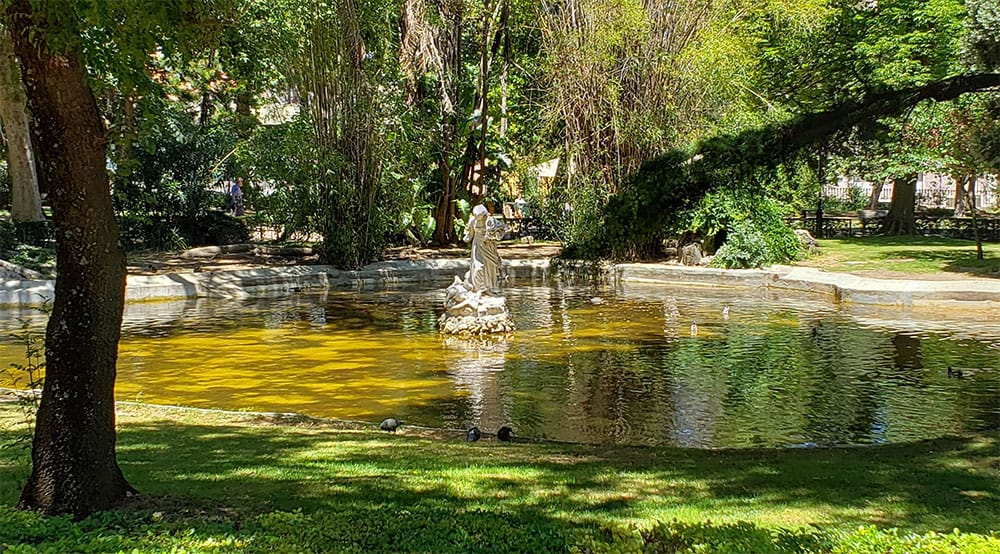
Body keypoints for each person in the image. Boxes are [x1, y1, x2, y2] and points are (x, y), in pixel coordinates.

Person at [463, 204, 506, 294]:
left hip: (488, 246)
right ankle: (478, 289)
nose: (478, 219)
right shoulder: (473, 221)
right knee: (478, 267)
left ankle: (489, 288)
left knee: (490, 267)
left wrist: (493, 235)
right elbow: (470, 234)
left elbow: (500, 233)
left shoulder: (490, 221)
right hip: (478, 245)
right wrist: (466, 237)